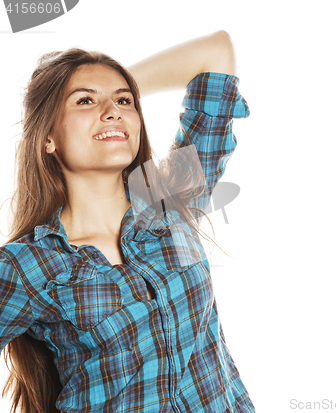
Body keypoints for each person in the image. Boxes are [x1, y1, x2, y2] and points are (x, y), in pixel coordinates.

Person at [0, 31, 254, 413]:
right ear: (47, 136)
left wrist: (109, 88)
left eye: (124, 101)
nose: (113, 110)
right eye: (83, 100)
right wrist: (103, 95)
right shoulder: (28, 264)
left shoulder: (167, 201)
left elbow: (215, 52)